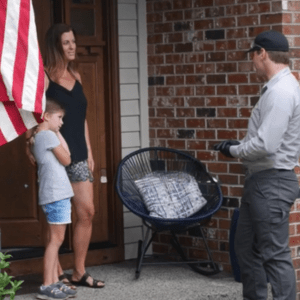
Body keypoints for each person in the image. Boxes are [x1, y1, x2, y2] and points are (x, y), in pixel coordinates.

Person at [214, 30, 300, 300]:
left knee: (275, 255)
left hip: (272, 183)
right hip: (261, 182)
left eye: (252, 55)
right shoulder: (278, 88)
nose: (252, 62)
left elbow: (265, 145)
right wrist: (239, 145)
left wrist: (233, 149)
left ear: (262, 53)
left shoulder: (281, 91)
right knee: (246, 250)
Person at [26, 23, 104, 289]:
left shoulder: (77, 76)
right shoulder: (45, 78)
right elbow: (33, 113)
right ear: (56, 46)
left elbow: (81, 120)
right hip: (54, 154)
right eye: (67, 42)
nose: (73, 47)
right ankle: (55, 274)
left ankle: (79, 271)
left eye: (74, 41)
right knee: (57, 216)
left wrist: (90, 151)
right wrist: (30, 140)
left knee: (87, 212)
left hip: (78, 155)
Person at [32, 98, 77, 299]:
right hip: (55, 194)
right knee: (56, 241)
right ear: (46, 116)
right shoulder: (47, 136)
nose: (61, 122)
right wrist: (56, 131)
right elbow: (67, 158)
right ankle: (47, 284)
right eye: (58, 118)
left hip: (55, 194)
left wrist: (56, 130)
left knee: (55, 240)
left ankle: (53, 281)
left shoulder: (43, 136)